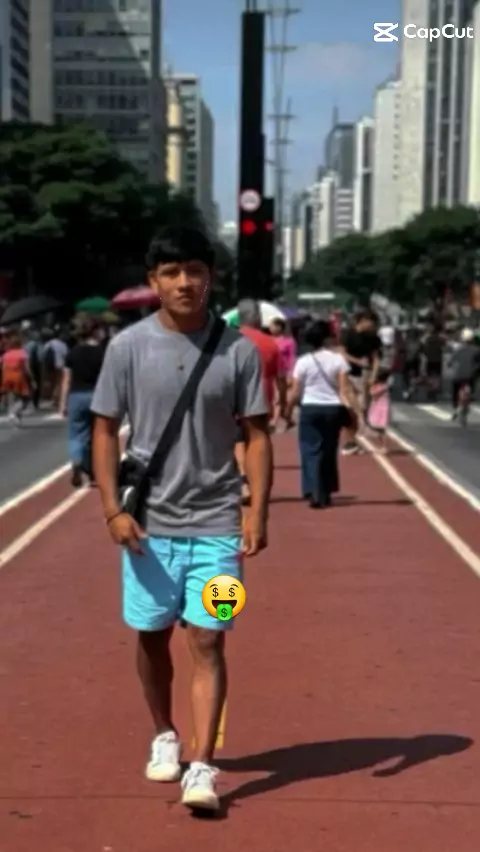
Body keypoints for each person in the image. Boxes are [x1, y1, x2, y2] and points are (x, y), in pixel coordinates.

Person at [90, 225, 272, 812]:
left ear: (210, 277)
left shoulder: (238, 350)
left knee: (210, 637)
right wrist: (112, 510)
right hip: (147, 531)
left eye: (195, 270)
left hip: (219, 529)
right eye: (171, 272)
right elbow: (103, 430)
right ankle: (164, 732)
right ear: (154, 281)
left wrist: (257, 510)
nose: (185, 282)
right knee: (152, 636)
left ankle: (202, 765)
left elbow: (258, 435)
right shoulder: (127, 349)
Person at [285, 319, 351, 508]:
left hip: (310, 408)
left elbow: (296, 391)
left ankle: (313, 490)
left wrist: (287, 412)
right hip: (333, 409)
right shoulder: (338, 360)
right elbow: (345, 389)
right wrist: (353, 412)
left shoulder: (303, 362)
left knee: (310, 450)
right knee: (329, 450)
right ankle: (326, 490)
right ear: (327, 339)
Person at [235, 299, 286, 501]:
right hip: (262, 398)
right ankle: (260, 484)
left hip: (234, 398)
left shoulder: (229, 340)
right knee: (259, 439)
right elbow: (280, 378)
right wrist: (282, 404)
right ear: (258, 318)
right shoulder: (270, 343)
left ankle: (243, 481)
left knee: (238, 440)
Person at [59, 316, 105, 487]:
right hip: (97, 395)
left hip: (76, 396)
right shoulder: (102, 352)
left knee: (76, 435)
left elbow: (66, 380)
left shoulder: (72, 353)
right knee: (97, 436)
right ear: (95, 331)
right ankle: (94, 473)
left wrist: (63, 403)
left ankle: (77, 461)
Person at [339, 309, 382, 454]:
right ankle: (351, 441)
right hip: (346, 373)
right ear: (362, 321)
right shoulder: (347, 334)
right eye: (371, 323)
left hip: (364, 375)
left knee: (363, 406)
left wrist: (374, 375)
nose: (372, 327)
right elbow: (341, 353)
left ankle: (354, 440)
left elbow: (376, 358)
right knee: (350, 409)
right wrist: (357, 361)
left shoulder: (373, 338)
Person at [0, 329, 34, 424]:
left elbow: (2, 367)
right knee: (25, 397)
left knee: (11, 397)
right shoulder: (23, 353)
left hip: (6, 377)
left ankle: (16, 416)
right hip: (19, 377)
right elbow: (27, 368)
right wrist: (32, 379)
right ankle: (14, 412)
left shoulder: (6, 354)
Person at [270, 317, 296, 429]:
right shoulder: (268, 340)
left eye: (272, 326)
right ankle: (286, 418)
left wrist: (291, 373)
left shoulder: (289, 341)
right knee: (279, 397)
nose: (270, 328)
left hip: (283, 372)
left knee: (279, 396)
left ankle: (275, 421)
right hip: (271, 371)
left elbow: (292, 358)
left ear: (279, 327)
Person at [449, 327, 480, 419]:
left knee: (454, 390)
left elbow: (450, 361)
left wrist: (450, 365)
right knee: (471, 388)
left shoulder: (458, 349)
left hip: (458, 375)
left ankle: (455, 408)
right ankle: (470, 398)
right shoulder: (476, 350)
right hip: (470, 376)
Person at [366, 368, 392, 453]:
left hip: (382, 408)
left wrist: (372, 385)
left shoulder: (384, 386)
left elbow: (373, 393)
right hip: (375, 406)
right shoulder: (377, 385)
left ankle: (384, 446)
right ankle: (382, 445)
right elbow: (371, 392)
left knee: (382, 428)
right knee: (374, 425)